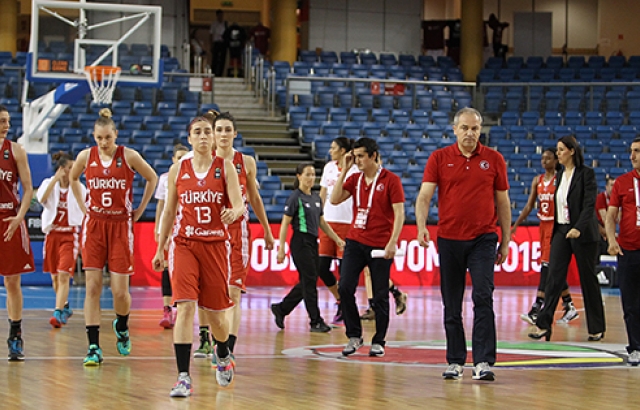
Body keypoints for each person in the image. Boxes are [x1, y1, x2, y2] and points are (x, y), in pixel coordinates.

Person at [152, 115, 245, 396]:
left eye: (208, 132)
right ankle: (183, 377)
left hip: (216, 245)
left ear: (214, 138)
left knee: (216, 316)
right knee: (186, 307)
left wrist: (234, 212)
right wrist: (160, 247)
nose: (204, 136)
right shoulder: (177, 170)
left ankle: (224, 353)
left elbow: (239, 204)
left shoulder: (225, 167)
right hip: (184, 244)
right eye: (198, 132)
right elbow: (169, 212)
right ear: (190, 138)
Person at [416, 107, 511, 381]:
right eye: (465, 128)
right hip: (448, 239)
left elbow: (503, 202)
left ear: (480, 131)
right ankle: (455, 360)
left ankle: (482, 361)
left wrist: (505, 240)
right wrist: (422, 226)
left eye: (475, 129)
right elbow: (424, 197)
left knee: (483, 296)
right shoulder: (439, 158)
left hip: (483, 239)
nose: (470, 133)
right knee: (451, 302)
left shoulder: (494, 159)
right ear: (455, 129)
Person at [70, 108, 158, 366]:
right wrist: (83, 205)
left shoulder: (129, 156)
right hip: (95, 224)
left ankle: (122, 325)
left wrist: (140, 209)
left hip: (120, 225)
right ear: (94, 137)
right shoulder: (86, 156)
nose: (104, 142)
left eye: (108, 137)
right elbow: (73, 177)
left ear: (116, 135)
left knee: (120, 292)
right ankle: (94, 346)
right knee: (93, 287)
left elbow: (152, 178)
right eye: (99, 138)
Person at [330, 137, 405, 358]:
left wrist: (392, 241)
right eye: (355, 156)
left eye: (361, 156)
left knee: (380, 294)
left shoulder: (391, 180)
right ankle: (354, 335)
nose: (358, 160)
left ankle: (379, 340)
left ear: (373, 156)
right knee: (344, 287)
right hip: (356, 240)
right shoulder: (355, 179)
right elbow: (334, 199)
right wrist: (344, 170)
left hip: (380, 244)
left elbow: (400, 213)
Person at [528, 136, 606, 342]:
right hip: (561, 231)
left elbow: (590, 205)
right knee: (554, 276)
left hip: (583, 233)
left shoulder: (586, 174)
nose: (558, 153)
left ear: (572, 151)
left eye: (561, 150)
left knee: (588, 279)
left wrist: (578, 228)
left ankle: (596, 328)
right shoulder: (560, 175)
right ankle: (544, 325)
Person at [212, 112, 275, 356]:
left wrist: (267, 230)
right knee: (213, 294)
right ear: (214, 133)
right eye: (220, 129)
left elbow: (255, 198)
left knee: (233, 292)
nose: (224, 134)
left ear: (235, 133)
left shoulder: (246, 162)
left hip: (238, 232)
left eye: (228, 130)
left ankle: (228, 348)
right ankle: (212, 338)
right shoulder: (204, 161)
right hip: (210, 233)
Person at [270, 163, 344, 332]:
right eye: (307, 174)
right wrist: (281, 248)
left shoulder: (317, 198)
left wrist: (337, 239)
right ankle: (315, 321)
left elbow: (322, 223)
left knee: (307, 281)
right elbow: (285, 223)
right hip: (300, 242)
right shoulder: (295, 198)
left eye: (313, 175)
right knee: (310, 281)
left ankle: (281, 309)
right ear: (299, 176)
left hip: (312, 242)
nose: (311, 178)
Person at [511, 148, 578, 326]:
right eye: (542, 158)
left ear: (556, 161)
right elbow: (529, 206)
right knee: (552, 266)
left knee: (547, 267)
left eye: (548, 158)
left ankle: (536, 308)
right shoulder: (537, 180)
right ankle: (569, 305)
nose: (544, 161)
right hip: (543, 226)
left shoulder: (561, 180)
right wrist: (516, 224)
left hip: (557, 227)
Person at [0, 104, 35, 361]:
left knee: (12, 282)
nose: (7, 125)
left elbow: (28, 189)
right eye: (2, 121)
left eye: (8, 121)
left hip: (9, 219)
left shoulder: (16, 150)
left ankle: (15, 336)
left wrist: (19, 217)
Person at [37, 151, 86, 328]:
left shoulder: (80, 188)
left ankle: (57, 312)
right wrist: (54, 180)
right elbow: (41, 199)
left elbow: (86, 211)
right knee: (55, 278)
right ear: (62, 169)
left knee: (64, 275)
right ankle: (64, 306)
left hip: (69, 234)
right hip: (52, 234)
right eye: (71, 168)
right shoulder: (48, 184)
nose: (75, 171)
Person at [605, 137, 640, 365]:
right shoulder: (622, 182)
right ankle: (635, 347)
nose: (632, 156)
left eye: (637, 151)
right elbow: (610, 216)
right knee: (631, 303)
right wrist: (611, 240)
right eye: (631, 151)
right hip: (628, 250)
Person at [318, 137, 358, 323]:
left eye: (333, 148)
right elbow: (323, 193)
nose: (330, 150)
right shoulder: (328, 167)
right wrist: (318, 213)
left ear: (343, 150)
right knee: (322, 267)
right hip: (328, 221)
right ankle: (340, 299)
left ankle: (346, 305)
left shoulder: (356, 169)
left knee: (345, 270)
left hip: (348, 222)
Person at [155, 144, 189, 329]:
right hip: (168, 226)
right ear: (173, 159)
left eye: (184, 157)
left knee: (182, 269)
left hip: (185, 226)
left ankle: (179, 307)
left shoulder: (191, 175)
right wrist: (158, 228)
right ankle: (167, 308)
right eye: (178, 157)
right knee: (167, 267)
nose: (181, 160)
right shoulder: (166, 178)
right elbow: (162, 206)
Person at [596, 176, 615, 254]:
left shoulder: (617, 199)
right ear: (606, 186)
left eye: (615, 186)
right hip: (599, 229)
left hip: (609, 230)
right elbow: (605, 219)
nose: (614, 188)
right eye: (612, 185)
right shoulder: (600, 198)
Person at [210, 9, 228, 77]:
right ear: (217, 16)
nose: (221, 16)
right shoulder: (214, 24)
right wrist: (211, 44)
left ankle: (220, 73)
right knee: (215, 58)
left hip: (223, 42)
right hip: (216, 42)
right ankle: (213, 72)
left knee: (222, 59)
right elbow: (211, 34)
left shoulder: (225, 23)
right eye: (220, 15)